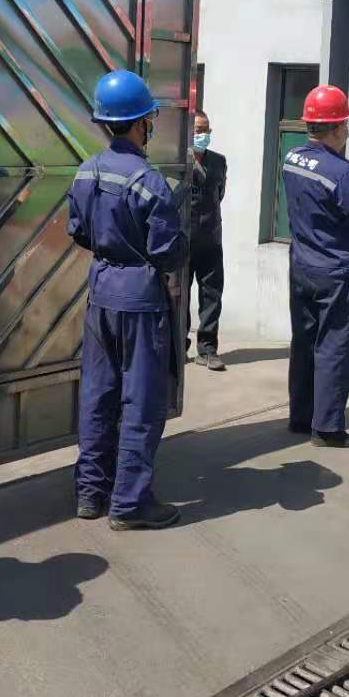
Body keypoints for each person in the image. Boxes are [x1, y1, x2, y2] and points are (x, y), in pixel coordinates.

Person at [67, 70, 189, 530]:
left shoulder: (86, 169)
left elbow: (78, 230)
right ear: (141, 123)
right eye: (149, 120)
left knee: (98, 396)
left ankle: (90, 493)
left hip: (101, 293)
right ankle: (130, 504)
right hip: (140, 300)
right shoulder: (150, 181)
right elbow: (168, 252)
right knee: (141, 401)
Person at [281, 84, 349, 448]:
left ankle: (301, 417)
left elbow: (326, 175)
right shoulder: (342, 175)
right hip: (337, 275)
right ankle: (327, 428)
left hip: (303, 268)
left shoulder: (293, 158)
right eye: (345, 124)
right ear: (338, 128)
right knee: (336, 349)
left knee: (305, 343)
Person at [187, 110, 228, 371]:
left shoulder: (218, 161)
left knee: (212, 294)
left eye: (206, 130)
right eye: (198, 130)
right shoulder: (180, 161)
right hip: (183, 239)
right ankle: (178, 346)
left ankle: (208, 349)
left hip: (211, 239)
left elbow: (219, 194)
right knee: (179, 295)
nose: (203, 135)